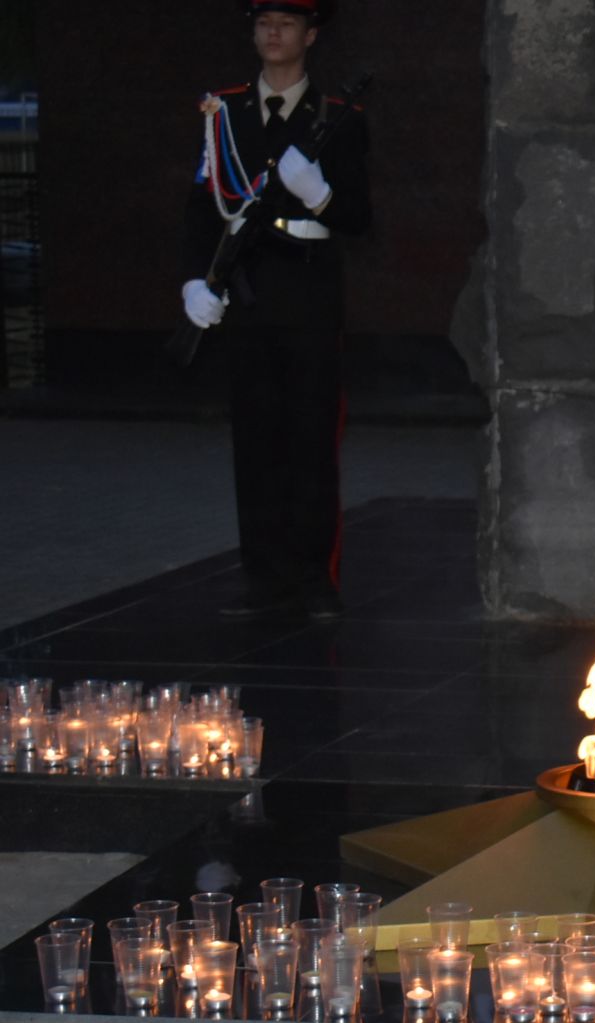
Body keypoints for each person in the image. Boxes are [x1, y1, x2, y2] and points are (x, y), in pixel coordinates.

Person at [182, 0, 369, 620]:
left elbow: (359, 218)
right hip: (247, 291)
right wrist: (195, 280)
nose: (272, 33)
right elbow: (201, 205)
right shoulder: (223, 112)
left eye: (286, 24)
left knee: (311, 439)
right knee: (256, 440)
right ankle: (264, 578)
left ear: (310, 35)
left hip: (309, 291)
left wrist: (321, 194)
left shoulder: (339, 116)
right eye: (263, 23)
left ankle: (315, 579)